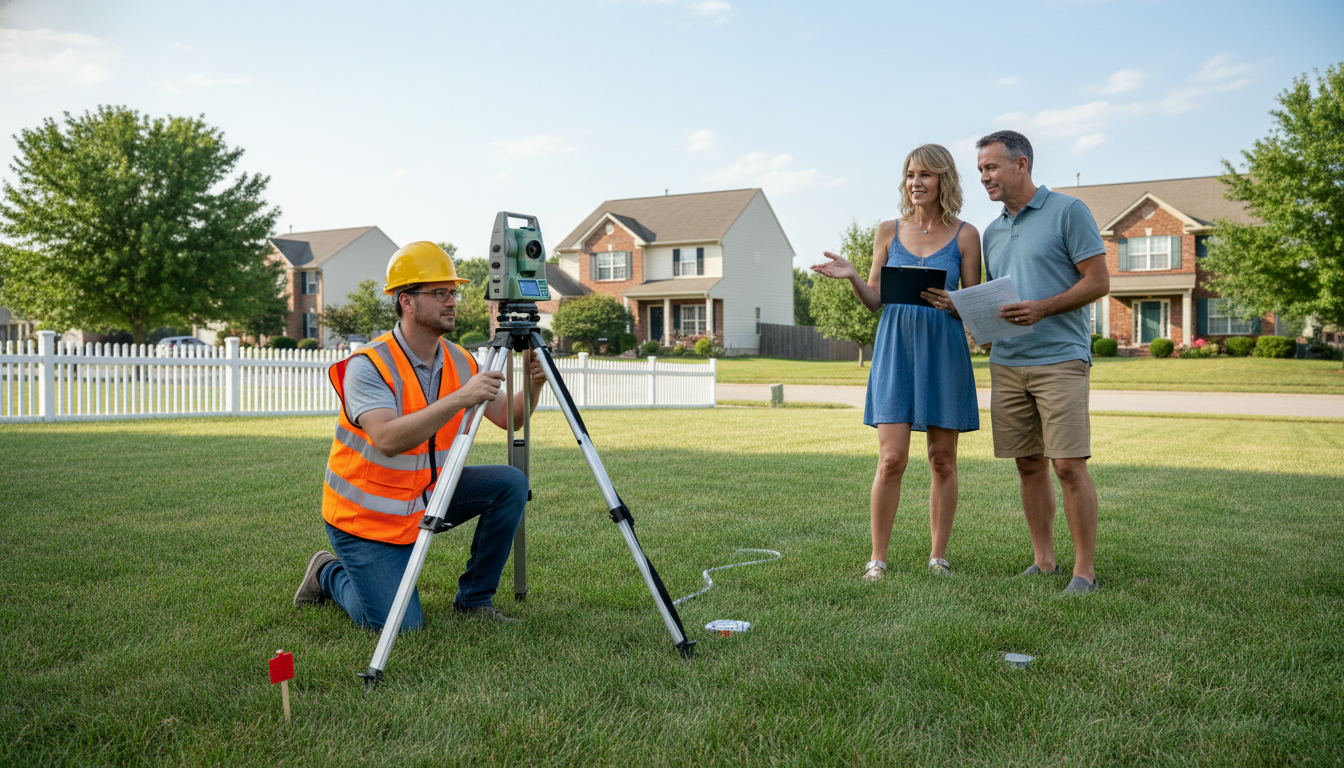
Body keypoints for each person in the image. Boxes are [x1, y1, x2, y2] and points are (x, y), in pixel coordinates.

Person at [292, 241, 546, 627]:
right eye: (439, 293)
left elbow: (511, 419)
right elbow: (388, 439)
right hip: (366, 519)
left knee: (509, 483)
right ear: (405, 301)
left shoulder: (460, 359)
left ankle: (475, 601)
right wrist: (460, 397)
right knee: (399, 626)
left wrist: (532, 383)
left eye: (453, 292)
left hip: (427, 494)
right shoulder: (368, 365)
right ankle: (328, 572)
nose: (452, 301)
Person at [812, 143, 982, 581]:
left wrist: (954, 303)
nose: (915, 183)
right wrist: (851, 276)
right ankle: (878, 559)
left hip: (943, 349)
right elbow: (874, 300)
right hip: (895, 349)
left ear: (944, 179)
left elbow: (973, 303)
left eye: (924, 175)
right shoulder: (887, 231)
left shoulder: (966, 234)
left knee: (942, 459)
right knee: (891, 459)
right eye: (910, 175)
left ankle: (938, 556)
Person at [973, 130, 1109, 595]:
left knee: (1068, 465)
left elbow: (1098, 281)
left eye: (991, 167)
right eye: (981, 171)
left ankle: (1084, 572)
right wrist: (986, 330)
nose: (985, 178)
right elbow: (999, 298)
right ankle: (1045, 561)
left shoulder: (1068, 212)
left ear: (1021, 164)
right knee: (1027, 463)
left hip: (1060, 358)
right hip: (1008, 362)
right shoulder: (991, 231)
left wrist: (1044, 307)